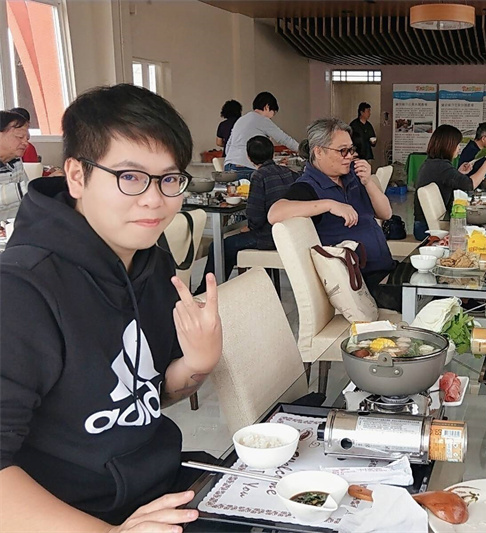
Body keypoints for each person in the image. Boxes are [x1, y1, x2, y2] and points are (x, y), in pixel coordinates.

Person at [0, 84, 223, 530]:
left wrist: (196, 364)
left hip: (159, 490)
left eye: (169, 179)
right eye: (130, 176)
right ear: (77, 176)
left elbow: (144, 396)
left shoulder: (151, 262)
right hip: (79, 516)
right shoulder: (20, 291)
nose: (155, 199)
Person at [268, 118, 398, 310]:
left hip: (386, 270)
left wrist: (368, 182)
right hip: (360, 284)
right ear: (318, 152)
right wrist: (329, 204)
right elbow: (275, 213)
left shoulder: (353, 175)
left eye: (351, 150)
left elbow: (385, 213)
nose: (349, 156)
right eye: (342, 151)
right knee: (431, 301)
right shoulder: (308, 187)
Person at [195, 135, 299, 294]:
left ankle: (206, 292)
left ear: (249, 157)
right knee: (230, 243)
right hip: (288, 233)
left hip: (267, 236)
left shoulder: (258, 176)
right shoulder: (288, 172)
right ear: (272, 153)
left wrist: (250, 227)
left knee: (220, 246)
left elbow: (256, 216)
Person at [413, 125, 486, 240]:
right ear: (449, 146)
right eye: (457, 145)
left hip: (423, 225)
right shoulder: (442, 166)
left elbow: (447, 180)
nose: (459, 148)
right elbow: (470, 184)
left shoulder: (433, 163)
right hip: (426, 229)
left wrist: (459, 173)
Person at [224, 91, 300, 181]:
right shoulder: (262, 120)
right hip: (246, 168)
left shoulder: (241, 120)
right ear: (267, 107)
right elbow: (284, 139)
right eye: (273, 112)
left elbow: (228, 146)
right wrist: (303, 151)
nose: (272, 117)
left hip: (229, 166)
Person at [0, 110, 30, 220]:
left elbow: (26, 197)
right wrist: (38, 186)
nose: (26, 143)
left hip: (15, 225)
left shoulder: (16, 160)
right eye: (20, 137)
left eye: (27, 138)